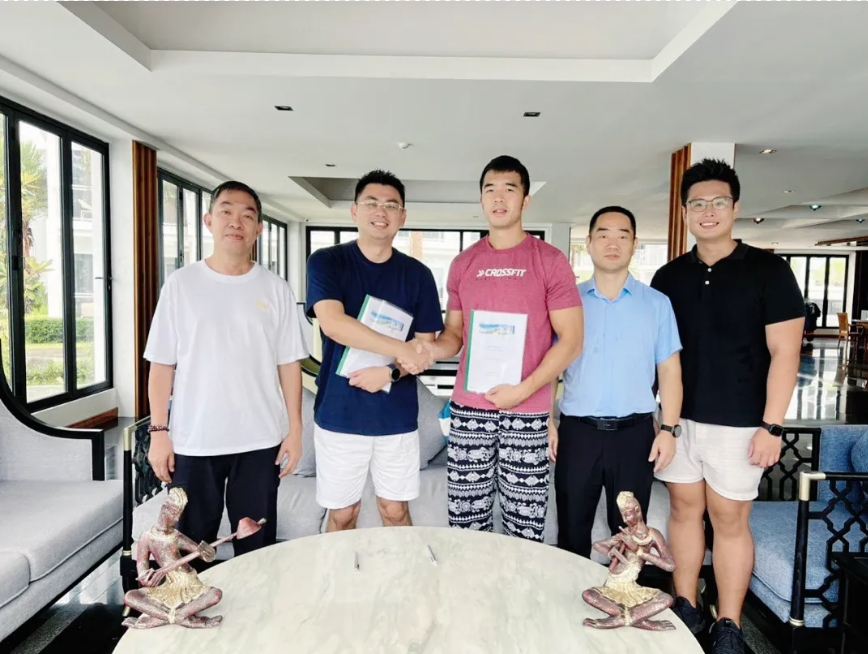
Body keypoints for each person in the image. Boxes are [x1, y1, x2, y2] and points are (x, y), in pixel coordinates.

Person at [650, 159, 805, 653]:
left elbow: (786, 353)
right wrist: (659, 421)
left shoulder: (769, 270)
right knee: (683, 511)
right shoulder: (668, 276)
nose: (708, 211)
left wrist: (772, 427)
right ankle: (686, 605)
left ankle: (729, 624)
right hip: (678, 421)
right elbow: (657, 354)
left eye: (718, 202)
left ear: (735, 208)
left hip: (741, 425)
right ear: (685, 212)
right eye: (697, 203)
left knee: (730, 521)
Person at [406, 155, 583, 543]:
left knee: (525, 524)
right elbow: (454, 334)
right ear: (481, 199)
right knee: (466, 521)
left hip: (528, 411)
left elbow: (571, 340)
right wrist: (429, 351)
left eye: (509, 189)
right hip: (470, 410)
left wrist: (524, 389)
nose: (499, 198)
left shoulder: (550, 261)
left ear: (526, 200)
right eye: (490, 190)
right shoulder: (463, 263)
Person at [144, 181, 308, 561]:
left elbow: (289, 365)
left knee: (257, 549)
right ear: (209, 221)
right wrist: (158, 433)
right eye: (226, 212)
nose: (236, 222)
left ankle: (255, 601)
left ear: (259, 228)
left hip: (260, 439)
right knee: (187, 550)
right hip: (194, 439)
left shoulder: (275, 288)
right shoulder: (181, 284)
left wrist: (296, 430)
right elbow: (162, 364)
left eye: (247, 215)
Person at [306, 169, 443, 532]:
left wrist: (390, 371)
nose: (381, 211)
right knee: (342, 514)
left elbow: (425, 347)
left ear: (403, 216)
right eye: (371, 203)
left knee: (394, 511)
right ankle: (339, 573)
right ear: (354, 211)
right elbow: (333, 323)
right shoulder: (327, 262)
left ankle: (401, 571)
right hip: (339, 413)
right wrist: (400, 348)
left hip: (395, 416)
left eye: (391, 205)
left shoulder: (417, 275)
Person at [554, 206, 682, 560]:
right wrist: (548, 420)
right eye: (604, 235)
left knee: (630, 534)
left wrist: (669, 430)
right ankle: (571, 591)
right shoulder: (567, 303)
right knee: (572, 529)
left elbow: (670, 371)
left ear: (634, 244)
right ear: (589, 243)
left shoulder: (657, 304)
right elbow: (551, 366)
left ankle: (623, 593)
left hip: (634, 436)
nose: (613, 243)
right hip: (578, 433)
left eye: (622, 236)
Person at [123, 488, 222, 629]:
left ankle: (162, 618)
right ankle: (181, 617)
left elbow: (203, 554)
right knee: (130, 596)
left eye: (179, 514)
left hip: (189, 584)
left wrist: (208, 553)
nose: (177, 519)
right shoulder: (146, 537)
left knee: (215, 594)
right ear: (165, 509)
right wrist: (145, 577)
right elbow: (141, 565)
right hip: (168, 586)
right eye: (174, 513)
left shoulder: (176, 536)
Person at [582, 491, 677, 631]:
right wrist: (611, 553)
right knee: (588, 595)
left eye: (627, 514)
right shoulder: (625, 534)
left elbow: (670, 566)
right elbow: (597, 545)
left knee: (667, 599)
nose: (624, 519)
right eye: (622, 515)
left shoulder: (653, 535)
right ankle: (639, 620)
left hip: (632, 587)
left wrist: (639, 550)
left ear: (637, 511)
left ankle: (619, 619)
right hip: (614, 584)